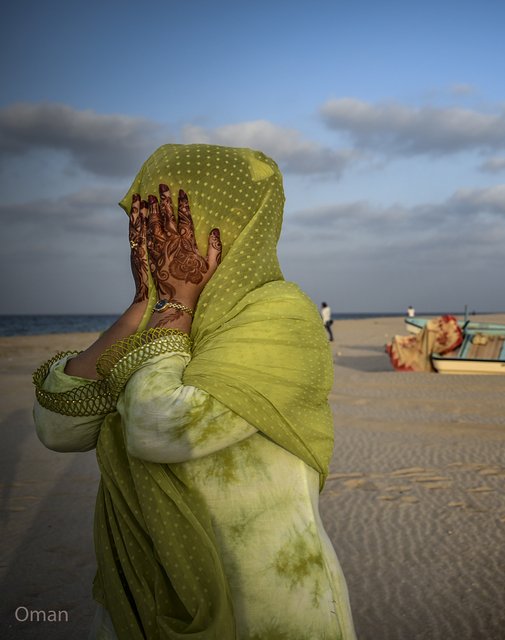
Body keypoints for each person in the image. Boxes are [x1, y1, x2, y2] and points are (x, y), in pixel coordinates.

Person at [32, 144, 355, 639]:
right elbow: (59, 427)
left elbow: (161, 429)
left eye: (170, 218)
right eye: (142, 222)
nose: (152, 238)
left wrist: (173, 312)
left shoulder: (281, 316)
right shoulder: (159, 321)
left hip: (267, 605)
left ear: (224, 223)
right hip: (140, 602)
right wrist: (143, 305)